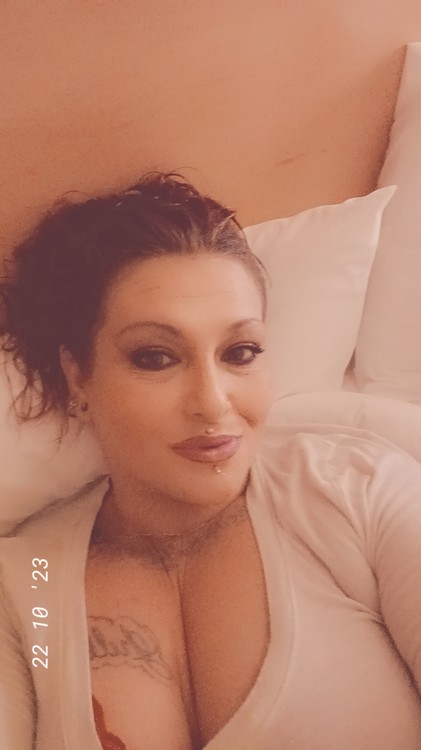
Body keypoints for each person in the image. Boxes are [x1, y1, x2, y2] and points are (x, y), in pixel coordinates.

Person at [0, 172, 421, 750]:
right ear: (77, 378)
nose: (213, 402)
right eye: (155, 357)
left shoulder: (358, 493)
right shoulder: (28, 585)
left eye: (240, 352)